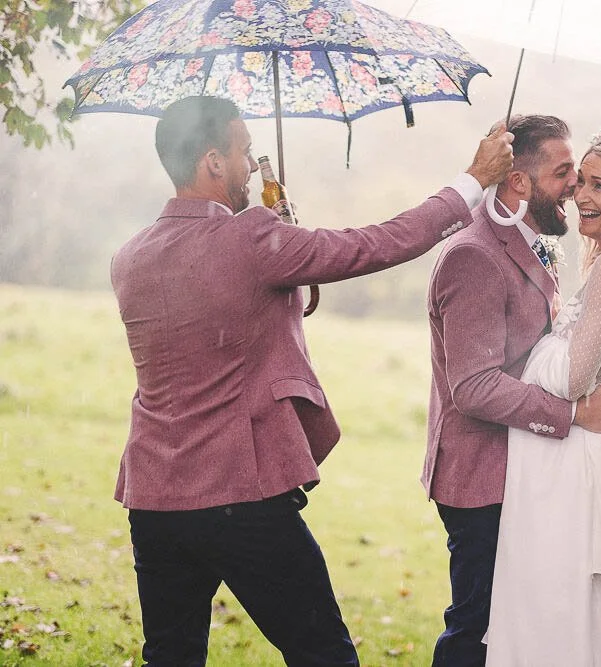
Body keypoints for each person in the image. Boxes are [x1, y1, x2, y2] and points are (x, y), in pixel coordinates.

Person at [111, 95, 513, 666]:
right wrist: (473, 181)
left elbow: (219, 322)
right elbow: (377, 244)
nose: (253, 166)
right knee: (324, 654)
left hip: (153, 497)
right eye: (244, 152)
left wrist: (292, 268)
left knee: (171, 658)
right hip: (239, 497)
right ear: (213, 162)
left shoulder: (130, 256)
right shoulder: (252, 240)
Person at [423, 115, 601, 667]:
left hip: (520, 470)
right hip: (479, 478)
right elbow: (474, 387)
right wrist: (572, 414)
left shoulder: (531, 242)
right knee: (477, 628)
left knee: (513, 629)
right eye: (564, 173)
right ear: (518, 181)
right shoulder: (474, 255)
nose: (576, 186)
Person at [486, 126, 601, 667]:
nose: (581, 197)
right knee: (584, 621)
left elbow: (571, 379)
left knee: (563, 618)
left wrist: (532, 352)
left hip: (587, 457)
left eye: (600, 187)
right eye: (581, 182)